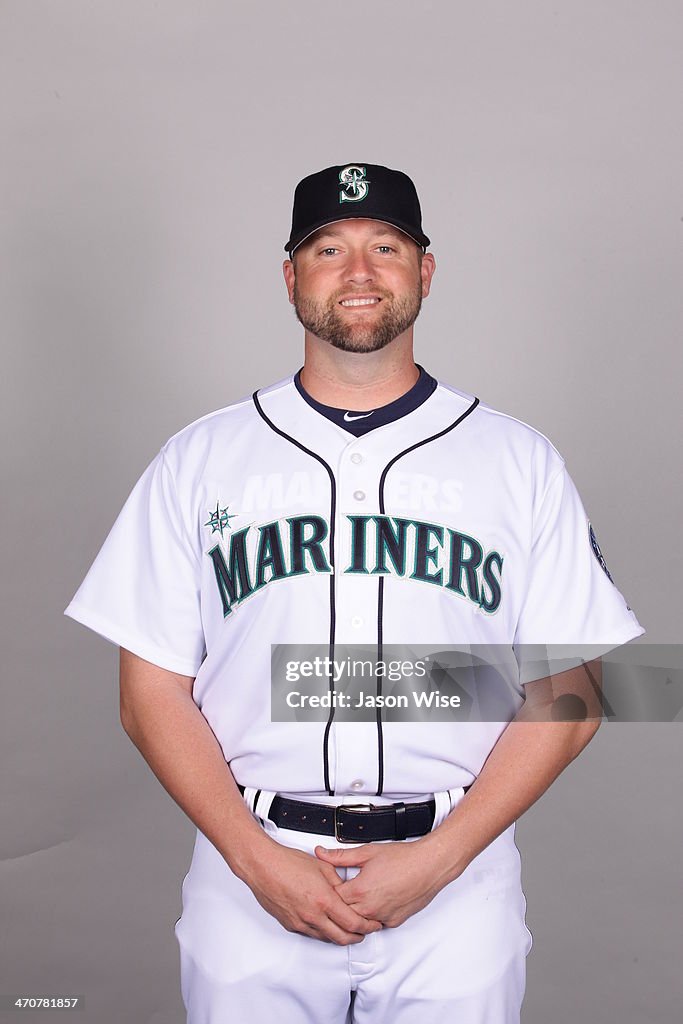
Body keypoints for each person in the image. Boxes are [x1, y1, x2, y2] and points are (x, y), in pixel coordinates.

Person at [65, 162, 644, 1023]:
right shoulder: (199, 460)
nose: (360, 271)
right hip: (249, 875)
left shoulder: (517, 462)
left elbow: (570, 694)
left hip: (455, 881)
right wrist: (255, 862)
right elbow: (150, 694)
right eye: (328, 248)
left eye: (386, 245)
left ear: (425, 270)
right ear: (291, 275)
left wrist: (440, 860)